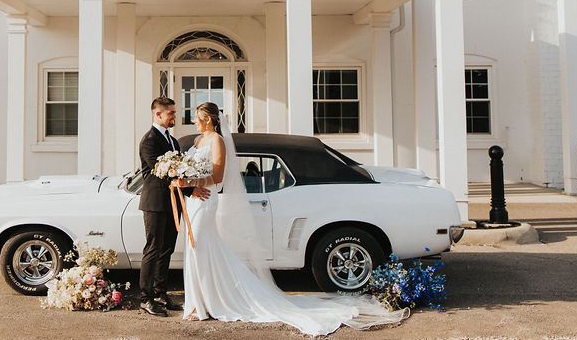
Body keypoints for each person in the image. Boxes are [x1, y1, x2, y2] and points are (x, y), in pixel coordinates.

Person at [173, 102, 409, 335]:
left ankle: (204, 303)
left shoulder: (217, 140)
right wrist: (184, 182)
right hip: (194, 201)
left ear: (208, 119)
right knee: (198, 249)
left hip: (207, 200)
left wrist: (189, 182)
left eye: (197, 116)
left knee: (200, 248)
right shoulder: (197, 141)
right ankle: (200, 301)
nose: (194, 120)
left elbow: (218, 175)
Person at [137, 96, 210, 317]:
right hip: (156, 203)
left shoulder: (173, 141)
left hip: (173, 203)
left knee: (167, 249)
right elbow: (162, 173)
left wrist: (189, 185)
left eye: (174, 113)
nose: (174, 117)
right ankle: (145, 298)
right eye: (171, 114)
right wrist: (191, 190)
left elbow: (179, 170)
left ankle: (161, 293)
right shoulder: (148, 141)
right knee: (153, 248)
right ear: (157, 114)